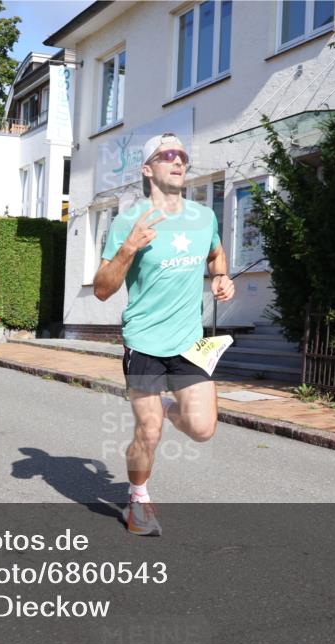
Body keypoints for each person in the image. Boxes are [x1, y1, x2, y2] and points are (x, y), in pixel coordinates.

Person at [93, 133, 235, 536]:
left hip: (189, 342)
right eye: (168, 154)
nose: (179, 161)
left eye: (183, 155)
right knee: (149, 430)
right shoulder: (128, 221)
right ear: (147, 167)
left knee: (203, 428)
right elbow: (102, 288)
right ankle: (137, 498)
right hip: (144, 342)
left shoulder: (203, 217)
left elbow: (215, 255)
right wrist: (128, 249)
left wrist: (221, 278)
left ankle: (169, 411)